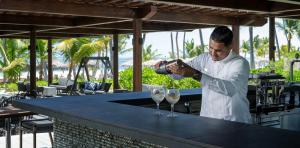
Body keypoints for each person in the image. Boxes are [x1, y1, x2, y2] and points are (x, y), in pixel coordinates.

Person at [156, 26, 251, 124]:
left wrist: (196, 74)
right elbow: (181, 72)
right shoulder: (204, 58)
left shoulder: (240, 63)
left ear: (230, 46)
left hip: (233, 122)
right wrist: (167, 67)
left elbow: (230, 89)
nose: (213, 54)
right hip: (207, 120)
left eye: (218, 50)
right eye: (210, 47)